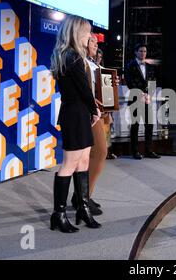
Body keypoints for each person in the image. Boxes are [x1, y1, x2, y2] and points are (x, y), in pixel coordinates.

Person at [49, 15, 102, 233]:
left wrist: (90, 109)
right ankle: (58, 215)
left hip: (78, 113)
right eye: (87, 31)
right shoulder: (71, 56)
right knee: (69, 164)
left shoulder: (69, 55)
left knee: (83, 162)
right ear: (75, 32)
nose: (90, 36)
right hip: (75, 114)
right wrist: (95, 109)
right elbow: (83, 89)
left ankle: (82, 208)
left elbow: (83, 90)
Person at [69, 34, 112, 216]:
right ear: (84, 42)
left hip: (99, 113)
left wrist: (112, 87)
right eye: (92, 41)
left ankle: (83, 195)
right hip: (88, 113)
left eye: (96, 41)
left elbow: (104, 89)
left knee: (91, 155)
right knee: (99, 153)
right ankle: (83, 197)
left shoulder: (95, 64)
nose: (96, 44)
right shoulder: (80, 62)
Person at [124, 44, 161, 160]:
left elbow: (153, 81)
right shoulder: (130, 65)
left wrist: (148, 94)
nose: (143, 53)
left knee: (149, 125)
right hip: (135, 99)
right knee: (135, 126)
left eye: (145, 51)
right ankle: (135, 152)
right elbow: (130, 82)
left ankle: (148, 150)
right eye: (141, 51)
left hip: (147, 100)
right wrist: (141, 94)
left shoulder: (149, 66)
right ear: (136, 52)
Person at [96, 48, 118, 160]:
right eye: (96, 57)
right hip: (94, 105)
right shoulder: (88, 67)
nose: (98, 59)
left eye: (100, 57)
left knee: (107, 129)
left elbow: (109, 89)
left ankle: (108, 152)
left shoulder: (104, 70)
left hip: (105, 105)